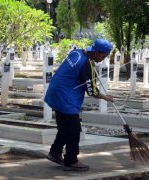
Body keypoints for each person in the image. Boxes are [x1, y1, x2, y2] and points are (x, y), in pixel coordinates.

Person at [44, 39, 114, 171]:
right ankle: (71, 160)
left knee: (65, 128)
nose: (104, 59)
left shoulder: (77, 52)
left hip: (55, 93)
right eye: (104, 56)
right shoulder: (86, 64)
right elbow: (91, 90)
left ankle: (54, 153)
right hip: (66, 99)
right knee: (74, 130)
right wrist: (106, 97)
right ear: (97, 52)